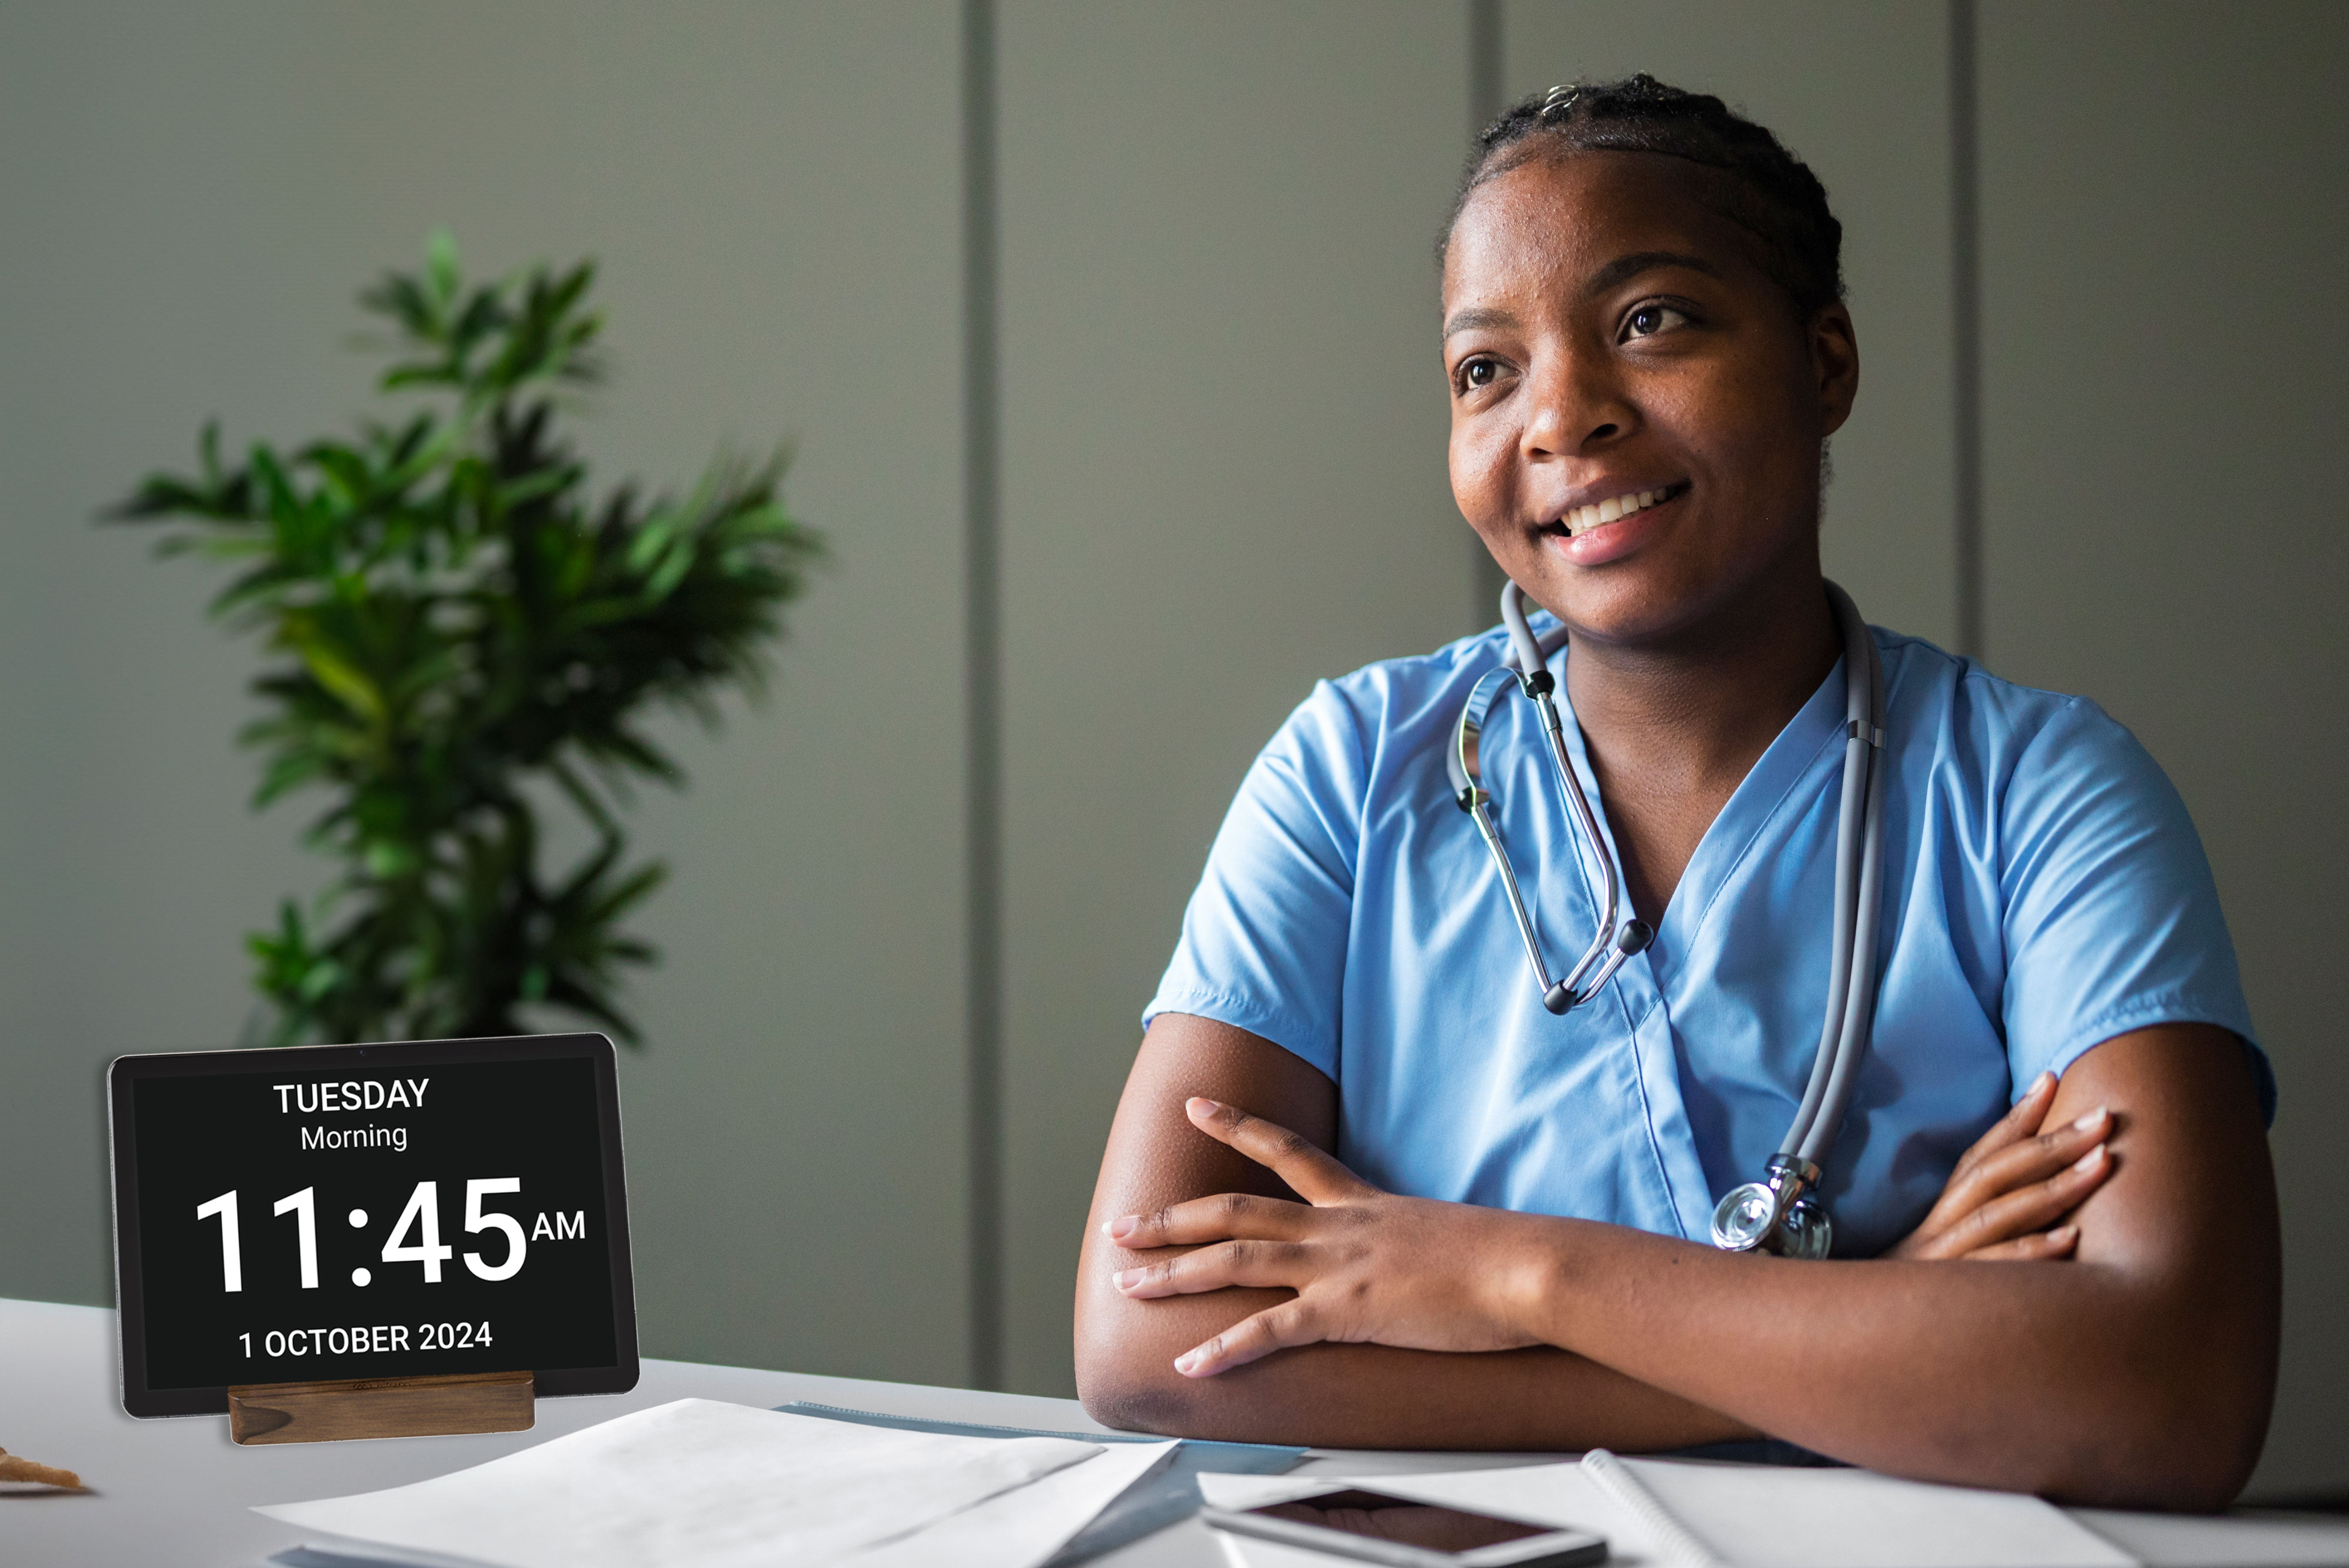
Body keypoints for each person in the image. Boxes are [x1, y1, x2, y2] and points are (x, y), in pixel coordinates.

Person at [1072, 76, 2279, 1510]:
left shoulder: (2046, 796)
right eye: (1485, 370)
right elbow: (1149, 1336)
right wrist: (1868, 1327)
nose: (1560, 416)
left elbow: (2173, 1384)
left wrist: (1509, 1273)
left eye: (1651, 322)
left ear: (1822, 363)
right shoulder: (1349, 772)